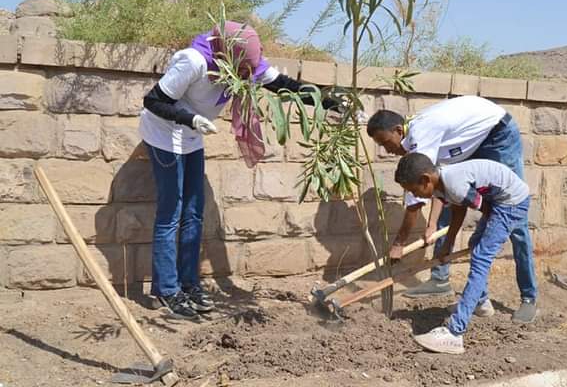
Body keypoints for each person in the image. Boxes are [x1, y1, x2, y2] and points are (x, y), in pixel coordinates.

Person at [139, 21, 338, 319]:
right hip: (164, 135)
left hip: (193, 138)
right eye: (243, 70)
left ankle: (189, 283)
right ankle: (166, 289)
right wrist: (190, 119)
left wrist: (331, 101)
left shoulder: (248, 63)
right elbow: (153, 100)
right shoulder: (193, 62)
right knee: (172, 211)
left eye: (250, 70)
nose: (247, 76)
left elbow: (286, 87)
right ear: (227, 57)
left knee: (194, 212)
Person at [366, 95, 538, 323]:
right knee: (450, 192)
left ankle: (528, 298)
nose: (387, 150)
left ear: (399, 130)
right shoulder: (415, 135)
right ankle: (442, 278)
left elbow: (416, 197)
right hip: (474, 142)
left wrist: (399, 243)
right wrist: (433, 225)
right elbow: (438, 188)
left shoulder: (422, 136)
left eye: (387, 142)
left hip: (497, 136)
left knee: (515, 221)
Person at [394, 152, 530, 354]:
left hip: (510, 202)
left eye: (414, 191)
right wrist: (448, 243)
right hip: (500, 199)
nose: (416, 196)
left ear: (425, 180)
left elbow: (486, 209)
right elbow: (459, 209)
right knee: (476, 244)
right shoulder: (441, 183)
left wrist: (492, 234)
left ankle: (455, 332)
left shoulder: (454, 184)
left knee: (481, 258)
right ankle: (480, 303)